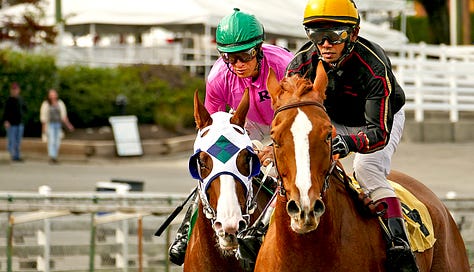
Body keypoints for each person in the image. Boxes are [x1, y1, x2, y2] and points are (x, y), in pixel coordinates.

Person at [284, 0, 418, 271]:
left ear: (353, 34)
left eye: (334, 35)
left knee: (365, 168)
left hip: (380, 121)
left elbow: (378, 133)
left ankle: (399, 244)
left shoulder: (373, 66)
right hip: (333, 119)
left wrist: (348, 143)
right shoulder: (300, 64)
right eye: (316, 35)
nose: (325, 44)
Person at [168, 8, 294, 266]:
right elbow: (212, 135)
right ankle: (186, 228)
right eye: (230, 58)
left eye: (244, 56)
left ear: (259, 49)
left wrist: (275, 149)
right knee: (215, 164)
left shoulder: (283, 66)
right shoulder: (218, 77)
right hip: (248, 122)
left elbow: (299, 120)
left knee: (286, 171)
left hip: (287, 121)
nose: (237, 65)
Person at [40, 89, 74, 164]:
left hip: (58, 125)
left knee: (57, 141)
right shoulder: (46, 104)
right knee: (51, 141)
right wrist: (44, 128)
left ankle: (55, 155)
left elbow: (64, 116)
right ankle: (52, 156)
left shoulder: (60, 103)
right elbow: (44, 118)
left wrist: (69, 125)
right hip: (50, 125)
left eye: (54, 94)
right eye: (51, 94)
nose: (53, 96)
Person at [2, 82, 27, 162]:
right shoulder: (9, 100)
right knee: (11, 140)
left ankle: (16, 156)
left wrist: (23, 117)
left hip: (20, 123)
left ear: (18, 90)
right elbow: (5, 112)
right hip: (11, 124)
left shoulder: (21, 99)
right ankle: (10, 155)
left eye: (16, 89)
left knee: (18, 141)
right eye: (13, 89)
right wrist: (6, 121)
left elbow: (25, 109)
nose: (15, 91)